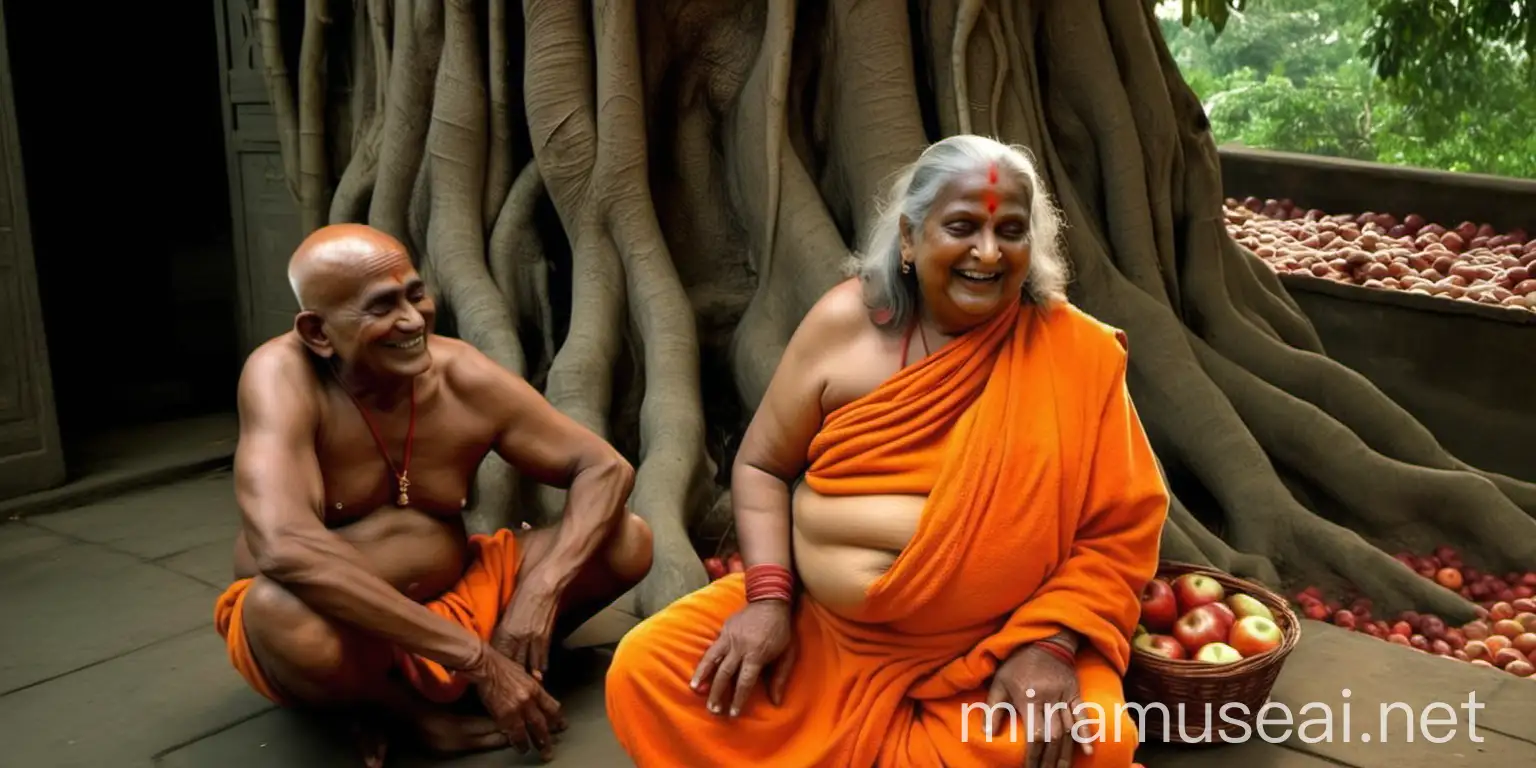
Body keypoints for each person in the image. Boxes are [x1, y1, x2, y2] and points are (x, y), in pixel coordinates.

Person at [604, 135, 1169, 768]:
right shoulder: (844, 325)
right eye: (963, 226)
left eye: (1011, 230)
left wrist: (1052, 645)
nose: (988, 251)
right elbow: (762, 466)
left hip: (997, 647)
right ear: (908, 237)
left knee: (1098, 739)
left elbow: (1121, 528)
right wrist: (766, 600)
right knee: (646, 670)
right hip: (820, 634)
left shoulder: (1076, 353)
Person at [214, 223, 653, 765]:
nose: (412, 319)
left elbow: (602, 468)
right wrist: (477, 659)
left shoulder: (461, 374)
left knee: (626, 539)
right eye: (381, 307)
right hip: (346, 626)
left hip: (458, 598)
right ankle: (407, 714)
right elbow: (286, 547)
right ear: (318, 333)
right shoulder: (281, 378)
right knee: (278, 609)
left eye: (415, 293)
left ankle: (506, 661)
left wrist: (539, 591)